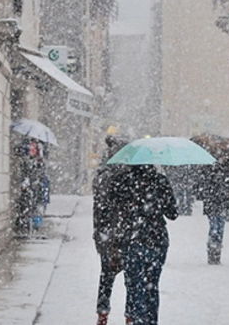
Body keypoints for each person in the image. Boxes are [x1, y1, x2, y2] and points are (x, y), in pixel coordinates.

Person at [114, 165, 178, 325]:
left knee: (135, 287)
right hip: (157, 240)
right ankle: (150, 321)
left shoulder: (124, 181)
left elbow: (116, 209)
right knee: (151, 287)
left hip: (133, 239)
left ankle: (138, 320)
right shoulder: (160, 181)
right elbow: (173, 214)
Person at [92, 136, 129, 325]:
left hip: (106, 233)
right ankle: (130, 315)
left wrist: (99, 233)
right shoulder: (127, 178)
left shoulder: (102, 176)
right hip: (125, 234)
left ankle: (102, 313)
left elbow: (98, 208)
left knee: (106, 275)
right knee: (130, 278)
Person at [200, 158, 229, 265]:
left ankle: (216, 252)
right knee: (214, 226)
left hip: (222, 203)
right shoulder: (210, 167)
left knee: (220, 227)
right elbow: (203, 182)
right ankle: (212, 252)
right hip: (212, 203)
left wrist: (226, 189)